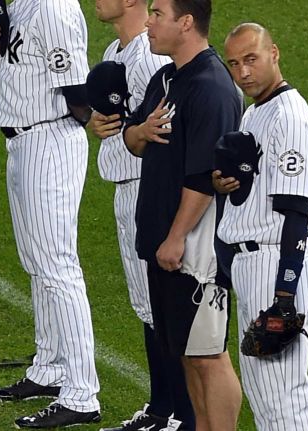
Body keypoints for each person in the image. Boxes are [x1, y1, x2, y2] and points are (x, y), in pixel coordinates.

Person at [0, 0, 101, 428]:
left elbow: (79, 94)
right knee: (38, 264)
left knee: (57, 267)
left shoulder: (53, 9)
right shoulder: (22, 5)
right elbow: (31, 69)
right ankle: (49, 369)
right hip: (23, 141)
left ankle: (82, 392)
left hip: (50, 141)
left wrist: (73, 125)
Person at [121, 0, 244, 429]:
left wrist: (175, 238)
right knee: (189, 355)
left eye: (158, 14)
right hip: (163, 240)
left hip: (197, 249)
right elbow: (133, 137)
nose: (149, 23)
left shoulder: (211, 87)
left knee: (210, 355)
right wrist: (140, 130)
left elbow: (203, 178)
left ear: (186, 22)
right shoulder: (166, 78)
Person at [86, 1, 193, 430]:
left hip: (148, 190)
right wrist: (99, 122)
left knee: (164, 308)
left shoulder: (150, 59)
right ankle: (160, 409)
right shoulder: (116, 53)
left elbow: (171, 128)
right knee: (147, 307)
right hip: (126, 189)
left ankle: (180, 415)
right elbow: (114, 118)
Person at [215, 22, 308, 430]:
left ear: (274, 53)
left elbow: (295, 211)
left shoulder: (289, 117)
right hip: (253, 262)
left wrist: (284, 297)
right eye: (234, 64)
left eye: (251, 60)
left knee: (283, 398)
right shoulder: (255, 111)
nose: (242, 72)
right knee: (265, 398)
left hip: (277, 261)